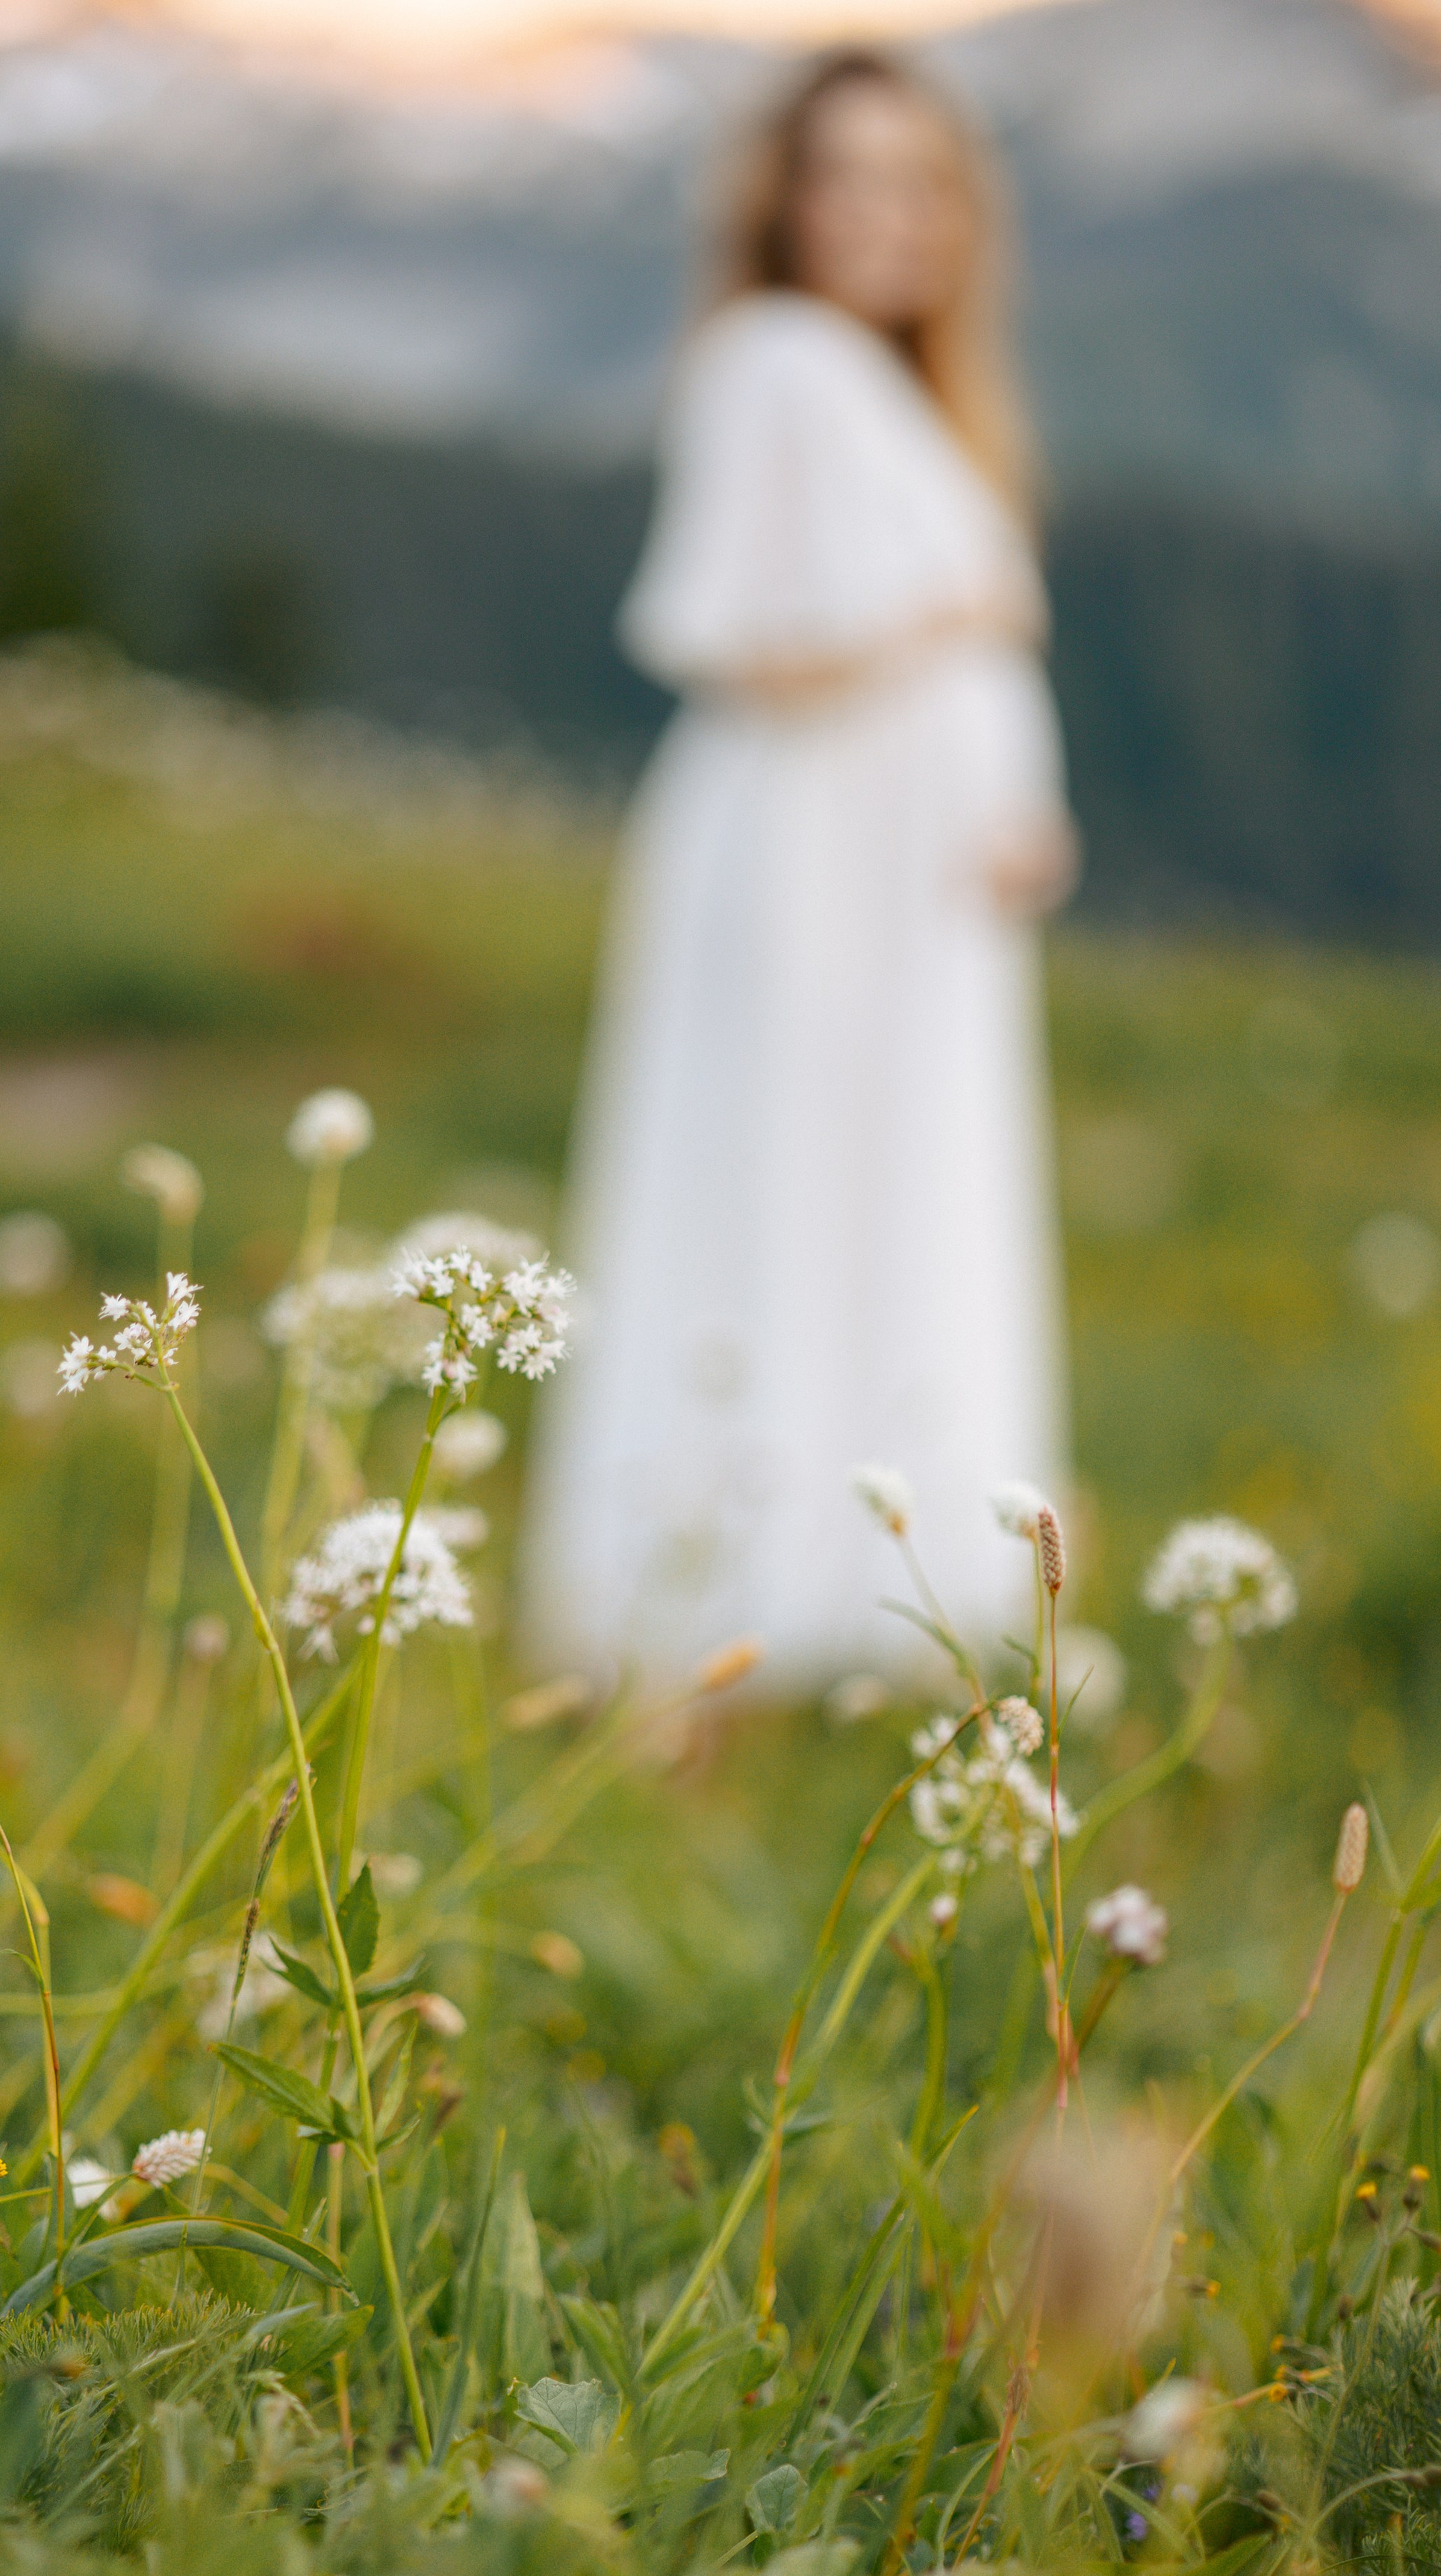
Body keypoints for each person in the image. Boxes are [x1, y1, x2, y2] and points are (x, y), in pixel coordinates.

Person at [522, 48, 1076, 1698]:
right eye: (846, 176)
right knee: (774, 1194)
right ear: (783, 201)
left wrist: (1009, 788)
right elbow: (715, 635)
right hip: (809, 863)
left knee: (874, 1196)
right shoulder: (772, 358)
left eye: (918, 181)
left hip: (902, 890)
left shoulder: (889, 386)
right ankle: (716, 1604)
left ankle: (836, 1597)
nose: (883, 215)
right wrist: (949, 625)